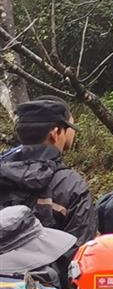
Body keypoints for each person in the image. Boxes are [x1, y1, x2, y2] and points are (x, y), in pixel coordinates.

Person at [0, 97, 95, 262]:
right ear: (55, 133)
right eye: (70, 127)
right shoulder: (70, 184)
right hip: (46, 284)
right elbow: (81, 253)